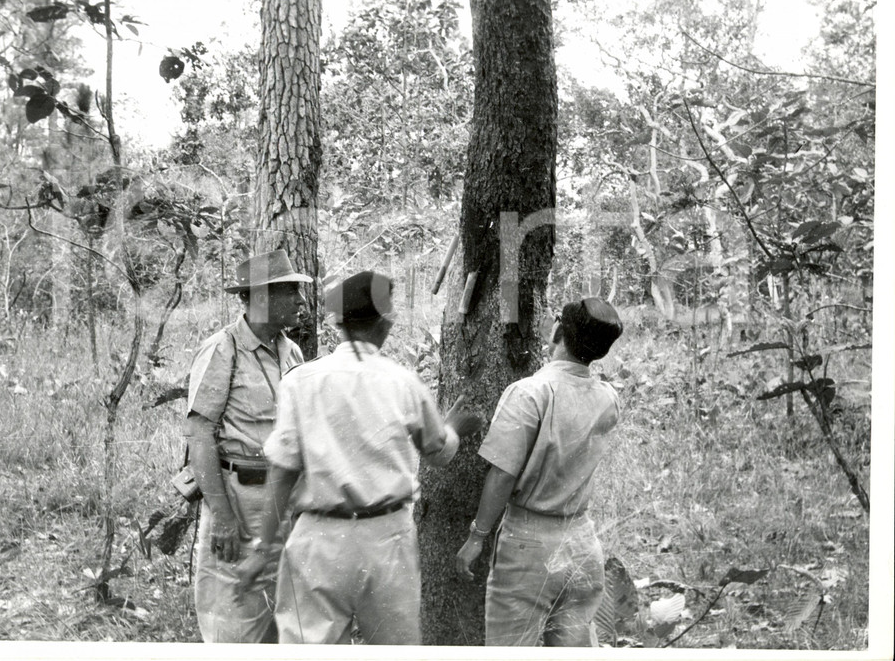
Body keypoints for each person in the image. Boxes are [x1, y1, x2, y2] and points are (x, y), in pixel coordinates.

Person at [236, 270, 481, 644]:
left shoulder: (301, 382)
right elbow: (438, 452)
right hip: (387, 537)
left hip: (319, 538)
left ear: (338, 322)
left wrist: (261, 548)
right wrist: (453, 428)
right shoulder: (403, 382)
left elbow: (283, 471)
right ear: (386, 321)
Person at [455, 297, 624, 647]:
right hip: (582, 541)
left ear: (558, 331)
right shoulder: (608, 398)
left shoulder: (529, 393)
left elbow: (502, 474)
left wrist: (477, 536)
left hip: (529, 545)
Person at [184, 249, 311, 643]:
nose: (301, 301)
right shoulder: (222, 349)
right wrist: (222, 515)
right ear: (260, 298)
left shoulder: (292, 352)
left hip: (285, 505)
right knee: (234, 621)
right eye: (290, 291)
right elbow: (199, 432)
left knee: (285, 622)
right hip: (241, 504)